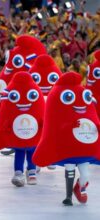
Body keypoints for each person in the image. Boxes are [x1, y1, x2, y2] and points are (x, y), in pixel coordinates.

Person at [33, 72, 100, 206]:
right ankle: (68, 196)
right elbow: (55, 126)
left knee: (85, 174)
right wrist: (69, 125)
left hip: (84, 146)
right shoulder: (56, 97)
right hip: (67, 148)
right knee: (69, 170)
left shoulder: (83, 97)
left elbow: (92, 118)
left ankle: (80, 188)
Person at [0, 72, 45, 187]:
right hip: (20, 133)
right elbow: (5, 114)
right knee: (20, 152)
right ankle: (19, 172)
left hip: (32, 132)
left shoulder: (35, 92)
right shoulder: (14, 92)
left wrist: (42, 124)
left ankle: (31, 171)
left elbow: (42, 113)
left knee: (30, 152)